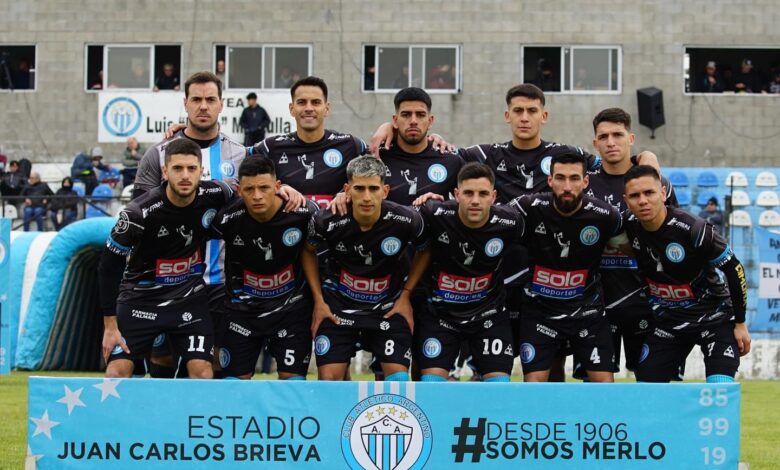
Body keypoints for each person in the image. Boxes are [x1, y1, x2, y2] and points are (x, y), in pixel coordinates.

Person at [133, 71, 304, 378]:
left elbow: (266, 184)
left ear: (221, 104)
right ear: (185, 103)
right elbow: (140, 217)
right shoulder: (157, 154)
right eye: (196, 99)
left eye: (210, 99)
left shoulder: (241, 154)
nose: (203, 106)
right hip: (168, 280)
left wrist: (287, 189)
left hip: (219, 282)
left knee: (211, 363)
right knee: (163, 358)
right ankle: (165, 410)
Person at [98, 138, 234, 379]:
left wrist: (283, 191)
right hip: (140, 301)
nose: (185, 176)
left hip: (188, 299)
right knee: (116, 373)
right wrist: (110, 326)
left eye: (191, 168)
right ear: (164, 171)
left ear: (201, 171)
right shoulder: (137, 213)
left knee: (202, 372)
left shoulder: (217, 193)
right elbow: (107, 267)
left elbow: (250, 193)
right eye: (177, 168)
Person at [303, 156, 428, 381]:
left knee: (398, 382)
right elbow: (307, 250)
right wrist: (319, 302)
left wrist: (406, 295)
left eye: (373, 188)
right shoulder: (326, 220)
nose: (367, 197)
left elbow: (425, 250)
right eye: (359, 188)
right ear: (347, 190)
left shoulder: (406, 219)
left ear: (385, 191)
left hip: (388, 307)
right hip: (339, 308)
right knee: (329, 382)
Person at [622, 165, 751, 383]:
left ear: (663, 193)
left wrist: (740, 323)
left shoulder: (695, 230)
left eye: (649, 192)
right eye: (635, 196)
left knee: (719, 388)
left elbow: (734, 269)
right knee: (647, 390)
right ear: (626, 200)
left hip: (715, 319)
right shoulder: (627, 224)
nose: (643, 201)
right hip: (669, 323)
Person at [510, 152, 624, 383]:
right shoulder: (528, 207)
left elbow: (635, 242)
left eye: (574, 178)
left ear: (585, 181)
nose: (567, 186)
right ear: (550, 180)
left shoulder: (606, 216)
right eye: (560, 178)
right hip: (540, 312)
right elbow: (487, 218)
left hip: (588, 312)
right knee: (534, 384)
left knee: (604, 385)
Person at [586, 107, 678, 379]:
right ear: (595, 143)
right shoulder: (584, 185)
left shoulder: (657, 184)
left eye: (618, 135)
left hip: (647, 302)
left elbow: (672, 236)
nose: (611, 142)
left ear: (631, 139)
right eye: (604, 137)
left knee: (652, 385)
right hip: (597, 303)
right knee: (598, 388)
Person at [209, 156, 319, 380]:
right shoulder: (227, 219)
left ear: (278, 187)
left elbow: (317, 252)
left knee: (293, 382)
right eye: (249, 189)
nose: (257, 195)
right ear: (239, 190)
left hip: (291, 311)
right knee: (234, 384)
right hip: (241, 311)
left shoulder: (303, 213)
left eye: (264, 188)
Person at [416, 163, 524, 382]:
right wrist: (346, 197)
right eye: (468, 193)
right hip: (441, 315)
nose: (475, 200)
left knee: (499, 386)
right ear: (456, 194)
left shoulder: (511, 222)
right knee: (431, 385)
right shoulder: (433, 213)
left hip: (489, 315)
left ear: (493, 196)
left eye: (483, 194)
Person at [249, 76, 368, 208]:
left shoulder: (351, 144)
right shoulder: (270, 147)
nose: (309, 108)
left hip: (333, 221)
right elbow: (236, 158)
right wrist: (276, 189)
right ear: (291, 108)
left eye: (316, 102)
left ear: (326, 109)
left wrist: (387, 128)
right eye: (301, 102)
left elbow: (380, 163)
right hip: (289, 222)